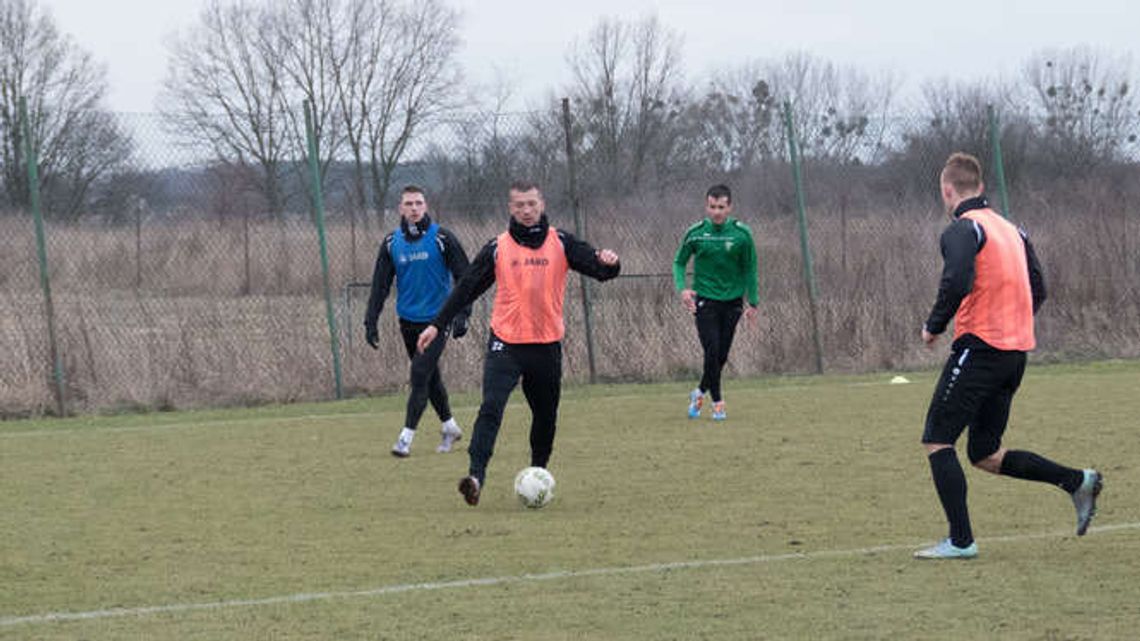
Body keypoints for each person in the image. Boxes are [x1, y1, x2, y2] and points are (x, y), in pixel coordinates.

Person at [915, 152, 1103, 559]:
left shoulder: (963, 229)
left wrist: (934, 325)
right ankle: (1077, 481)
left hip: (980, 348)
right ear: (980, 187)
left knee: (937, 440)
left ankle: (961, 541)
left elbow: (957, 279)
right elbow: (1039, 289)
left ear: (948, 191)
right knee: (985, 453)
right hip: (1014, 354)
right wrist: (1014, 321)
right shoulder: (1012, 229)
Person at [416, 180, 620, 506]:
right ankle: (475, 477)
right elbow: (466, 287)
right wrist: (437, 325)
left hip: (546, 345)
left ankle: (537, 475)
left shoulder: (561, 242)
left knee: (545, 416)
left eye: (531, 204)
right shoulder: (498, 247)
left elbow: (600, 269)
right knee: (491, 407)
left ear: (541, 205)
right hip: (506, 344)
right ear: (510, 209)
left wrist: (611, 262)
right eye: (519, 205)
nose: (526, 211)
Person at [364, 185, 471, 458]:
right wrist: (371, 320)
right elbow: (380, 284)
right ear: (400, 208)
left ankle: (405, 439)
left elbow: (466, 278)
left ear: (426, 207)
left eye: (418, 203)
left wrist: (462, 314)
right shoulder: (391, 243)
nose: (414, 208)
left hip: (438, 320)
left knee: (419, 374)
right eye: (408, 204)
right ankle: (449, 427)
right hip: (408, 321)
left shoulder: (442, 239)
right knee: (430, 377)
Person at [672, 184, 758, 422]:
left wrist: (753, 302)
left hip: (732, 302)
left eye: (721, 207)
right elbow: (679, 262)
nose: (717, 212)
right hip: (706, 301)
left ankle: (699, 392)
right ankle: (718, 402)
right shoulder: (696, 233)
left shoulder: (742, 235)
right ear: (706, 206)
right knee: (711, 351)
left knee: (720, 356)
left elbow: (750, 267)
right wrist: (683, 290)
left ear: (729, 207)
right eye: (712, 207)